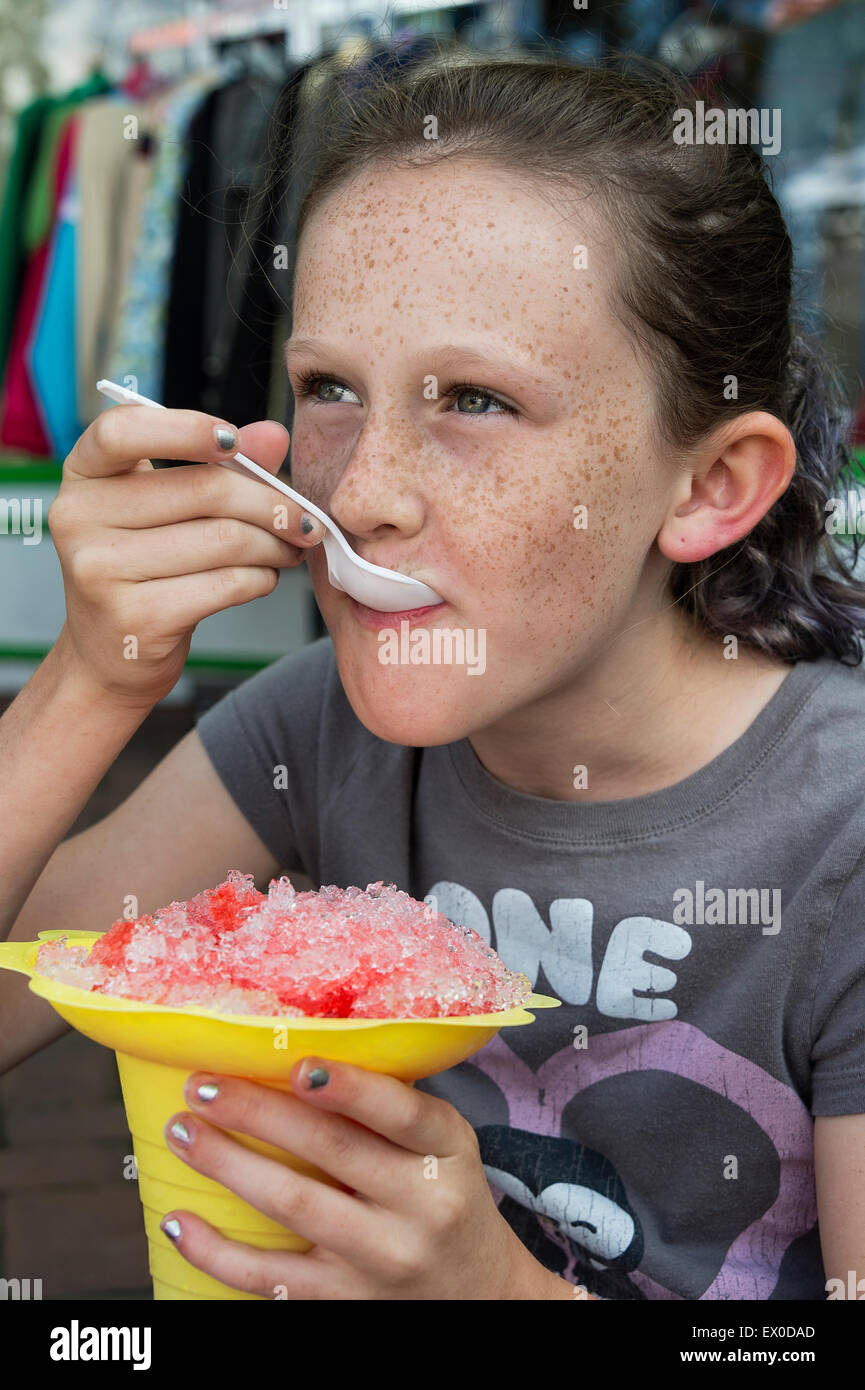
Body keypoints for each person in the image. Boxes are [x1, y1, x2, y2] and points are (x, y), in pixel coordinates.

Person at [2, 51, 864, 1301]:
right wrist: (90, 685)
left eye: (473, 398)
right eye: (330, 390)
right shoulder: (317, 733)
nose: (359, 491)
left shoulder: (837, 834)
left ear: (709, 485)